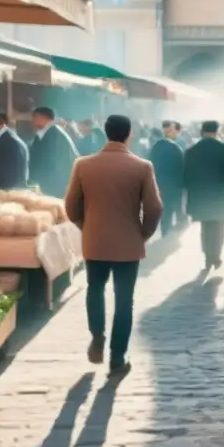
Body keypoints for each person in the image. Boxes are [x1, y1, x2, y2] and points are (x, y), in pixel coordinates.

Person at [65, 115, 163, 371]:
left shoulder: (83, 165)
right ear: (128, 134)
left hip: (95, 241)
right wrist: (143, 233)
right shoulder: (142, 166)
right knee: (124, 300)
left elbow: (70, 205)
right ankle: (117, 357)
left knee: (94, 289)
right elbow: (154, 208)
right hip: (128, 243)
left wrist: (85, 226)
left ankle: (97, 336)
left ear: (106, 133)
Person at [183, 120, 224, 270]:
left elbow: (185, 176)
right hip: (219, 195)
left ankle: (208, 256)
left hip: (200, 196)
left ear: (202, 131)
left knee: (205, 227)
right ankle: (216, 254)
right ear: (216, 131)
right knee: (219, 227)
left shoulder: (191, 151)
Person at [28, 106, 79, 198]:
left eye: (36, 118)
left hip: (55, 189)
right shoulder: (44, 134)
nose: (33, 122)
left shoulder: (55, 136)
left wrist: (46, 187)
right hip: (47, 187)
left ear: (45, 119)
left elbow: (55, 165)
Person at [148, 124, 184, 235]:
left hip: (158, 183)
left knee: (161, 207)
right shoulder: (176, 148)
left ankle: (164, 230)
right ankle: (166, 231)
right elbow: (181, 167)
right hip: (173, 184)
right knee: (168, 208)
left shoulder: (154, 149)